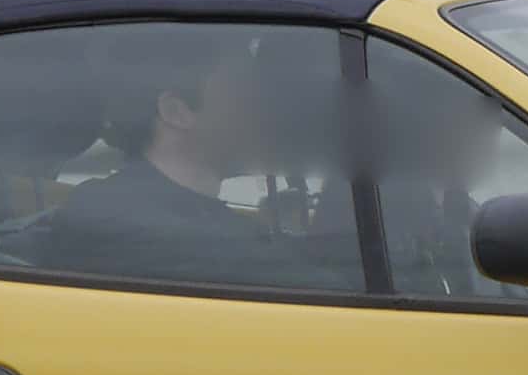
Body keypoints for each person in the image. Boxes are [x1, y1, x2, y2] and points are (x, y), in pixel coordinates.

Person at [41, 29, 350, 292]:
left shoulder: (110, 204)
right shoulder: (167, 237)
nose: (262, 107)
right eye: (242, 87)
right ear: (177, 112)